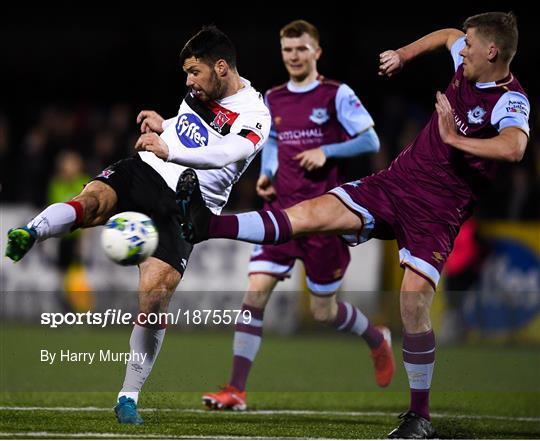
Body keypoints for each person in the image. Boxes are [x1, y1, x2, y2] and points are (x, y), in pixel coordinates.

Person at [176, 12, 530, 438]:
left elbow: (513, 147)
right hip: (396, 183)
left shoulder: (511, 100)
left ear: (492, 52)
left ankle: (420, 416)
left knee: (412, 302)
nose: (463, 50)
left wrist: (454, 139)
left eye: (472, 46)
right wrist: (403, 53)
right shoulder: (463, 61)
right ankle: (206, 225)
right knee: (310, 214)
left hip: (438, 210)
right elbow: (449, 34)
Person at [5, 25, 270, 425]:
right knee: (91, 202)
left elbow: (225, 153)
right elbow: (190, 127)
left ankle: (127, 396)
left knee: (154, 296)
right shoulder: (202, 90)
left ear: (221, 68)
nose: (188, 81)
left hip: (188, 201)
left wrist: (170, 148)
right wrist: (164, 124)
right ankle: (32, 231)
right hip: (147, 171)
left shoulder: (255, 114)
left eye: (194, 72)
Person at [201, 20, 394, 412]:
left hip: (325, 218)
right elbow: (270, 140)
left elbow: (370, 139)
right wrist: (268, 174)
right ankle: (236, 390)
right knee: (254, 296)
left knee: (325, 311)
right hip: (281, 215)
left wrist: (330, 152)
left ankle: (376, 338)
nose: (294, 56)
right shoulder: (273, 97)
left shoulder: (335, 94)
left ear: (317, 52)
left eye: (302, 49)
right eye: (288, 50)